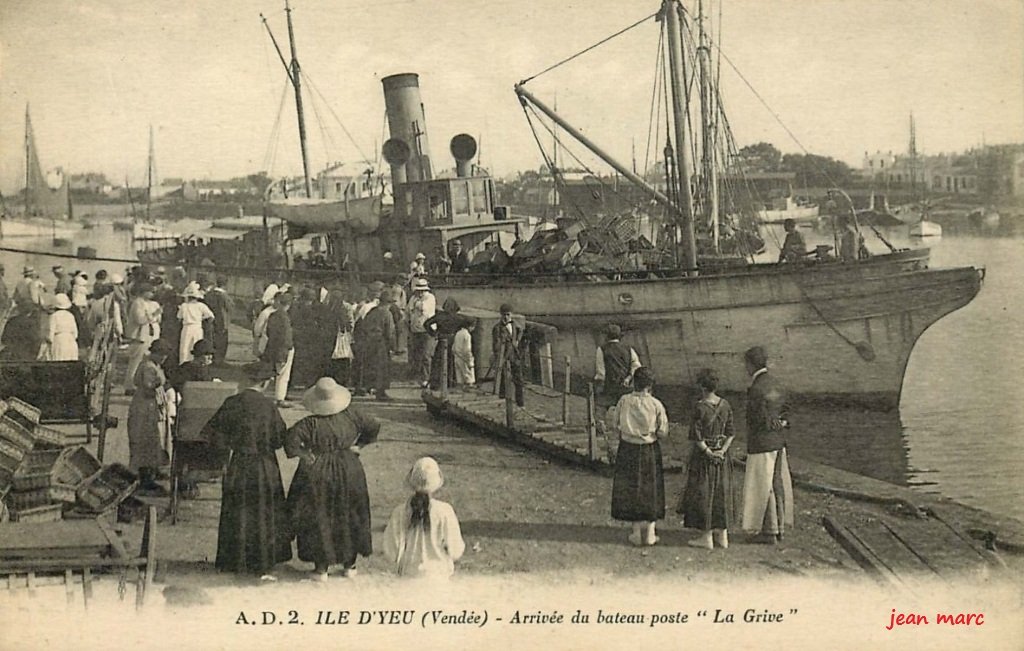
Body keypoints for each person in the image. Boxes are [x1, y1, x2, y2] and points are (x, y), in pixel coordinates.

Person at [285, 378, 380, 581]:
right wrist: (359, 445)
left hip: (319, 470)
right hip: (349, 467)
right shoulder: (352, 415)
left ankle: (321, 568)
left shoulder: (310, 423)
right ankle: (350, 565)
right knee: (350, 512)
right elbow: (373, 426)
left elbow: (290, 441)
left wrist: (305, 455)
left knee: (320, 514)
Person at [205, 365, 292, 579]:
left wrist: (225, 454)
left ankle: (233, 560)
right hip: (265, 466)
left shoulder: (232, 403)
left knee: (238, 510)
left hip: (239, 464)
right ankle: (262, 561)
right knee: (263, 511)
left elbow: (212, 434)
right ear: (265, 383)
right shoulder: (268, 407)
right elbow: (280, 439)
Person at [740, 346, 794, 544]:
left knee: (764, 485)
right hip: (779, 442)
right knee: (778, 483)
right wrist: (782, 423)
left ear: (750, 364)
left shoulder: (756, 389)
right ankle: (780, 527)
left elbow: (758, 420)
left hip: (762, 443)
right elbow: (787, 410)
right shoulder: (777, 384)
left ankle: (769, 531)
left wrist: (773, 423)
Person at [609, 366, 668, 547]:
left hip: (628, 449)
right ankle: (650, 532)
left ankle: (635, 532)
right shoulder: (656, 404)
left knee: (630, 488)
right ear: (650, 385)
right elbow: (663, 431)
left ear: (634, 382)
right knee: (651, 489)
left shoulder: (624, 401)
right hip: (649, 449)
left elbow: (614, 424)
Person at [678, 368, 736, 550]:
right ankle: (722, 535)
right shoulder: (725, 405)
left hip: (704, 458)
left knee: (703, 494)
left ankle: (706, 536)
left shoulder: (699, 407)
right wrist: (722, 451)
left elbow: (696, 437)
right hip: (722, 457)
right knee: (720, 493)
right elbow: (731, 433)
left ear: (702, 386)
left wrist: (709, 453)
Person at [383, 457, 465, 579]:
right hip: (439, 579)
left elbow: (391, 552)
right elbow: (456, 550)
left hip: (408, 579)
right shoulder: (445, 511)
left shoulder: (400, 512)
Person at [128, 338, 173, 493]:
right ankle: (145, 478)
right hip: (146, 408)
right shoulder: (148, 367)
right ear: (155, 353)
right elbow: (148, 387)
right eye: (161, 355)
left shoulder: (154, 365)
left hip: (152, 406)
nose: (164, 358)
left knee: (154, 440)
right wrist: (160, 384)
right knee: (146, 440)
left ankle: (152, 470)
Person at [359, 287, 397, 400]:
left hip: (368, 341)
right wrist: (392, 346)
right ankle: (380, 392)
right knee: (382, 367)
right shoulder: (387, 313)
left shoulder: (372, 311)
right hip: (380, 342)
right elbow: (390, 332)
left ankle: (369, 387)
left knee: (371, 365)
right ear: (388, 303)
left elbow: (363, 325)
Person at [124, 284, 163, 395]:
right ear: (144, 292)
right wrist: (154, 314)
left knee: (149, 361)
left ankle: (146, 384)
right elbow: (140, 319)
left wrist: (154, 316)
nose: (152, 294)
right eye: (150, 291)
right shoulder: (137, 303)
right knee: (136, 360)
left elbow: (158, 319)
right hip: (140, 335)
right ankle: (130, 385)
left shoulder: (154, 303)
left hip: (153, 334)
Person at [424, 298, 468, 391]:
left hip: (441, 340)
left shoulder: (439, 316)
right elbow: (470, 322)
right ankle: (451, 383)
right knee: (452, 362)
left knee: (438, 362)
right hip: (453, 341)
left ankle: (436, 384)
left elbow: (426, 324)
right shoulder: (458, 318)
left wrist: (434, 333)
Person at [594, 324, 641, 411]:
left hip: (609, 388)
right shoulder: (629, 349)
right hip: (626, 387)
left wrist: (599, 387)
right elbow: (636, 366)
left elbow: (601, 372)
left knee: (602, 412)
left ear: (606, 337)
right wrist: (629, 378)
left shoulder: (602, 349)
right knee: (626, 411)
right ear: (620, 337)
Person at [262, 291, 295, 407]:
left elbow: (268, 331)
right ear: (289, 304)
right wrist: (288, 349)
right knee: (283, 375)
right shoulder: (285, 318)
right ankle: (280, 398)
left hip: (272, 346)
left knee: (269, 372)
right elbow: (287, 337)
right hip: (283, 349)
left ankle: (259, 393)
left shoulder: (272, 315)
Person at [491, 303, 524, 407]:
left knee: (519, 380)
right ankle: (502, 403)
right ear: (501, 315)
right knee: (503, 381)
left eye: (508, 315)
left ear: (511, 315)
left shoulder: (515, 325)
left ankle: (520, 403)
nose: (506, 317)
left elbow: (520, 332)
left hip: (515, 356)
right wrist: (499, 355)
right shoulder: (497, 328)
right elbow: (495, 344)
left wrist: (517, 341)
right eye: (504, 315)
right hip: (504, 357)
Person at [406, 277, 436, 388]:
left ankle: (426, 378)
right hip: (415, 330)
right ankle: (418, 377)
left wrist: (417, 304)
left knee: (426, 355)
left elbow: (426, 311)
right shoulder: (413, 298)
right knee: (416, 355)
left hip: (427, 331)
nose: (420, 292)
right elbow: (408, 312)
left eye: (422, 290)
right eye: (418, 290)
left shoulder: (430, 298)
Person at [177, 282, 214, 363]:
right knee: (195, 346)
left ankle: (186, 362)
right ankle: (194, 363)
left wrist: (200, 319)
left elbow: (179, 318)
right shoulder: (200, 306)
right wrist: (202, 320)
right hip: (196, 327)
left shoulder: (184, 306)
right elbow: (211, 316)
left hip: (189, 327)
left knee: (186, 347)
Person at [204, 276, 233, 365]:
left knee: (211, 338)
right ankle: (219, 359)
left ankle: (211, 357)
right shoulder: (224, 295)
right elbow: (230, 307)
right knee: (222, 340)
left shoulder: (209, 294)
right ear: (225, 284)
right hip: (221, 320)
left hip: (210, 319)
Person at [47, 293, 79, 361]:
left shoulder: (54, 316)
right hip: (71, 341)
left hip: (59, 341)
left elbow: (51, 334)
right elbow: (75, 334)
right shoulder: (70, 315)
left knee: (59, 361)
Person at [451, 322, 475, 388]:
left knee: (459, 377)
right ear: (470, 326)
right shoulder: (467, 335)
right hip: (464, 357)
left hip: (457, 357)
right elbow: (467, 349)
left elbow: (453, 347)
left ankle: (460, 390)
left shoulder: (458, 333)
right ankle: (469, 388)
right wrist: (469, 360)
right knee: (468, 377)